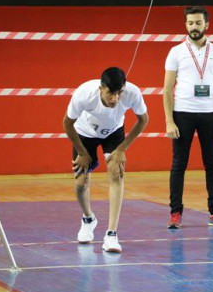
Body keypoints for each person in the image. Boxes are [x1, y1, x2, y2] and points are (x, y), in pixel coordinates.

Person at [63, 67, 149, 253]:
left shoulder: (132, 93)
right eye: (111, 93)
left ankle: (111, 234)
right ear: (101, 88)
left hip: (113, 132)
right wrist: (82, 152)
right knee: (80, 182)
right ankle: (88, 219)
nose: (115, 99)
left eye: (119, 93)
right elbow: (67, 123)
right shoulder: (84, 94)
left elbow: (143, 120)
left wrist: (121, 149)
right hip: (85, 133)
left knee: (116, 173)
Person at [163, 6, 213, 229]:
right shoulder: (176, 51)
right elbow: (166, 89)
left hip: (210, 114)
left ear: (207, 25)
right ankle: (175, 213)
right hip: (182, 113)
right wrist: (169, 121)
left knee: (212, 165)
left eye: (198, 23)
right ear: (185, 25)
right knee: (178, 165)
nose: (194, 27)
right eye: (190, 23)